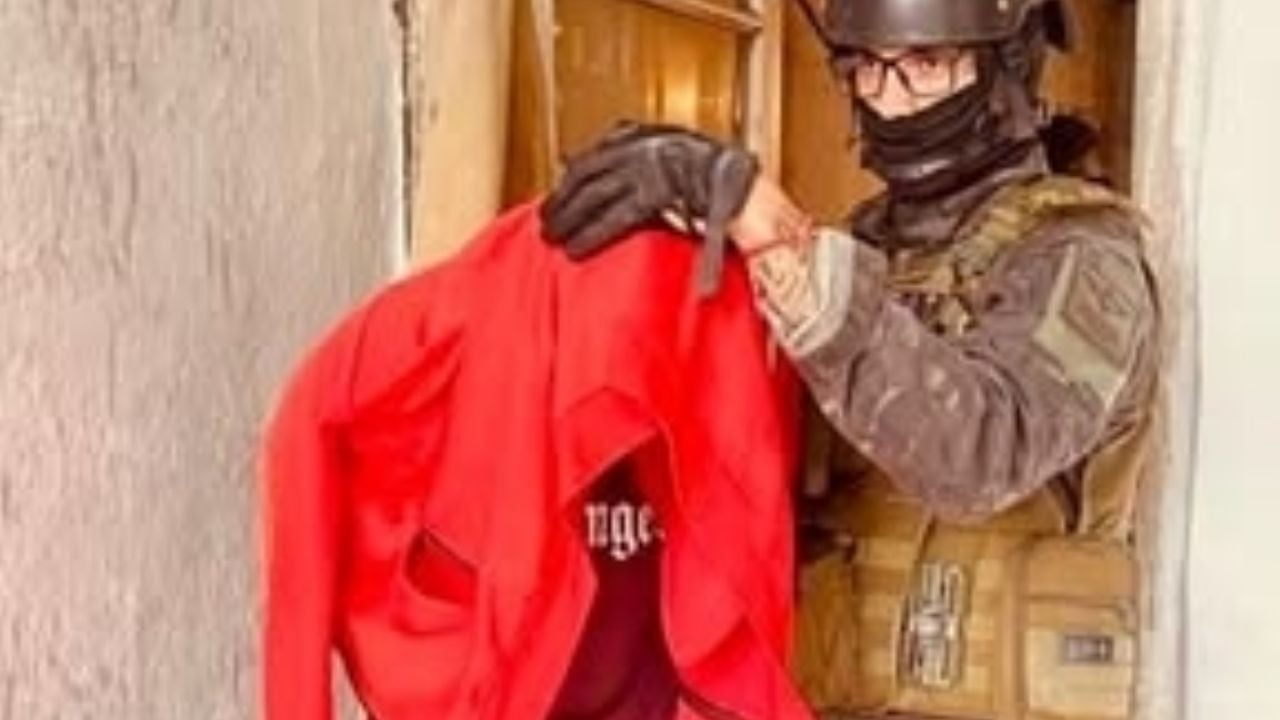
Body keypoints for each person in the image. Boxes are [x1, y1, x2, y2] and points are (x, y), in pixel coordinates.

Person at [539, 1, 1160, 719]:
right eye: (867, 67)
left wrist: (772, 237)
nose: (890, 99)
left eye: (927, 64)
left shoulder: (1083, 256)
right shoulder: (856, 251)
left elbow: (982, 455)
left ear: (1010, 64)